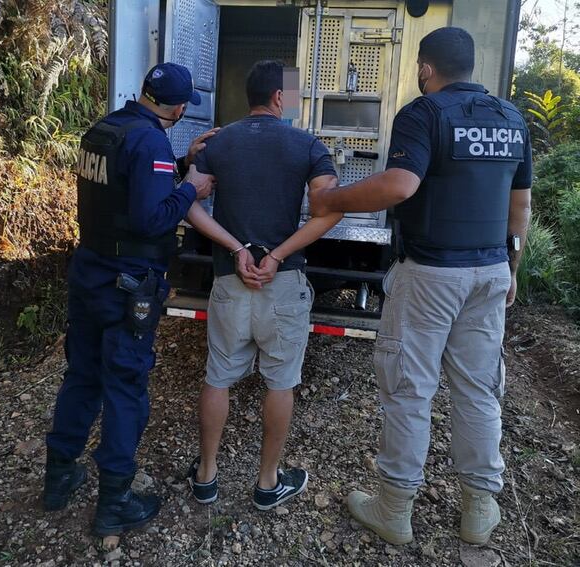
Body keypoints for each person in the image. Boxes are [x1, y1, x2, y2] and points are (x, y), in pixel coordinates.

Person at [309, 27, 532, 545]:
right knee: (478, 390)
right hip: (489, 272)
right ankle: (479, 509)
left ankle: (394, 509)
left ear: (426, 68)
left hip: (432, 274)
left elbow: (399, 186)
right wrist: (512, 268)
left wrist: (331, 200)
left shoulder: (423, 113)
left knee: (409, 389)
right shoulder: (511, 118)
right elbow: (519, 204)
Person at [43, 62, 216, 537]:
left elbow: (125, 189)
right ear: (177, 109)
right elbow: (149, 218)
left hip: (89, 271)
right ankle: (114, 502)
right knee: (124, 385)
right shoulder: (150, 142)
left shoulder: (105, 130)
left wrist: (178, 165)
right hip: (126, 283)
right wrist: (191, 188)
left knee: (82, 375)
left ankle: (58, 478)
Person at [183, 60, 342, 510]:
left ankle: (206, 476)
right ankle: (268, 483)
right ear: (278, 97)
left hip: (230, 280)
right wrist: (276, 255)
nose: (295, 101)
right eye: (292, 94)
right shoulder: (308, 145)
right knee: (280, 383)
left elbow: (187, 203)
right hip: (283, 283)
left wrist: (237, 248)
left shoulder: (217, 143)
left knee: (218, 377)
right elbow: (330, 210)